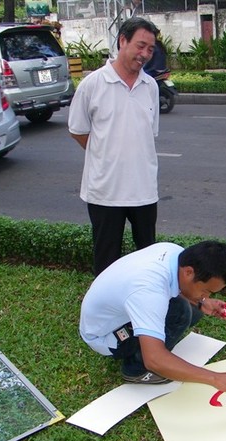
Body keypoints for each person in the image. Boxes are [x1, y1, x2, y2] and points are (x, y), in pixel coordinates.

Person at [79, 240, 226, 394]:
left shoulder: (176, 254)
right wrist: (214, 378)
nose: (206, 295)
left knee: (192, 310)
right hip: (106, 336)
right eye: (207, 290)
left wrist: (202, 302)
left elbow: (173, 289)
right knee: (181, 312)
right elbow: (154, 359)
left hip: (117, 313)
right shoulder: (149, 291)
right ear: (189, 272)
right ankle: (135, 370)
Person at [69, 17, 160, 276]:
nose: (144, 54)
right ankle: (108, 314)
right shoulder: (92, 85)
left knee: (148, 260)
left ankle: (145, 310)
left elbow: (147, 135)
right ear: (122, 41)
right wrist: (105, 154)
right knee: (107, 261)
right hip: (105, 192)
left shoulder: (150, 86)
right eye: (140, 46)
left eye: (150, 50)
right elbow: (78, 131)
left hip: (143, 190)